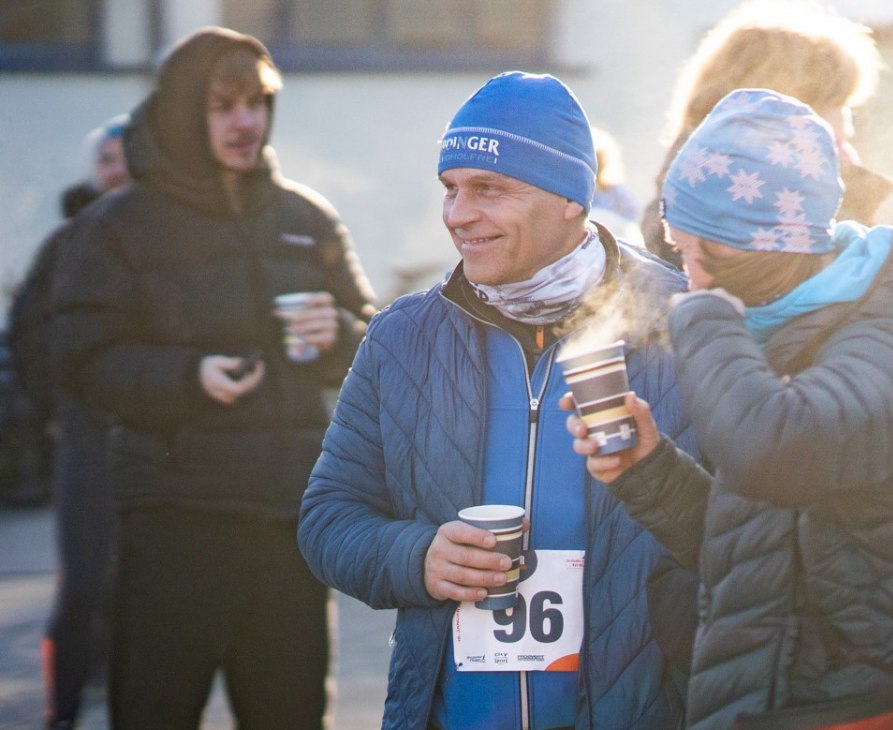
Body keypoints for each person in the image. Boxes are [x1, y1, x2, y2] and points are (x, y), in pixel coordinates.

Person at [564, 88, 893, 729]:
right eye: (678, 249)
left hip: (856, 707)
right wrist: (648, 468)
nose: (690, 277)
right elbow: (754, 553)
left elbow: (775, 454)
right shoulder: (781, 327)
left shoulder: (888, 336)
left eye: (708, 254)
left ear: (779, 240)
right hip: (767, 698)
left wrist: (706, 317)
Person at [297, 70, 698, 730]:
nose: (458, 215)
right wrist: (415, 556)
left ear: (571, 197)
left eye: (490, 189)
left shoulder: (681, 322)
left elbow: (746, 537)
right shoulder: (403, 337)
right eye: (451, 190)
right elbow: (327, 518)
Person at [50, 27, 376, 729]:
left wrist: (340, 335)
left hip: (290, 524)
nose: (245, 123)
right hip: (174, 525)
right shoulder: (118, 228)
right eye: (224, 105)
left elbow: (373, 347)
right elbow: (75, 358)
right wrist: (186, 376)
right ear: (182, 113)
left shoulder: (305, 216)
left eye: (257, 104)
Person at [8, 113, 132, 730]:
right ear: (94, 172)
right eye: (107, 158)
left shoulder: (167, 241)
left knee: (142, 584)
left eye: (128, 156)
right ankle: (62, 710)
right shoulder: (67, 243)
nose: (119, 168)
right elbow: (29, 333)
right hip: (85, 433)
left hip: (152, 439)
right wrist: (51, 414)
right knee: (83, 579)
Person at [638, 0, 892, 267]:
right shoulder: (710, 215)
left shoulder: (687, 190)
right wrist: (844, 195)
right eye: (835, 103)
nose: (847, 125)